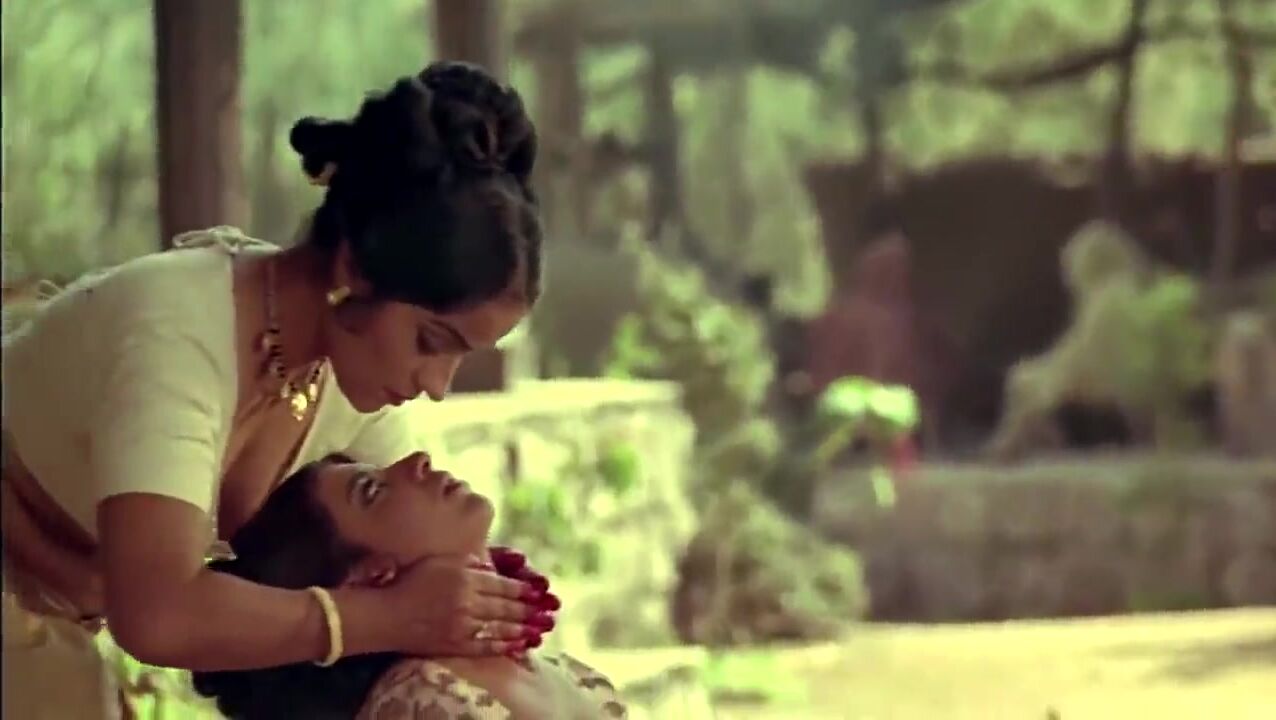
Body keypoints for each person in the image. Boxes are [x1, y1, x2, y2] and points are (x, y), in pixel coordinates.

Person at [1, 61, 551, 717]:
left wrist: (478, 592)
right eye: (432, 342)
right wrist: (390, 616)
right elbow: (158, 615)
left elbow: (416, 543)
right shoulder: (181, 332)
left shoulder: (348, 377)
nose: (436, 385)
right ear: (354, 269)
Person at [191, 452, 628, 720]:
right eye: (372, 491)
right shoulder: (421, 699)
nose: (417, 460)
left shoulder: (570, 673)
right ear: (372, 578)